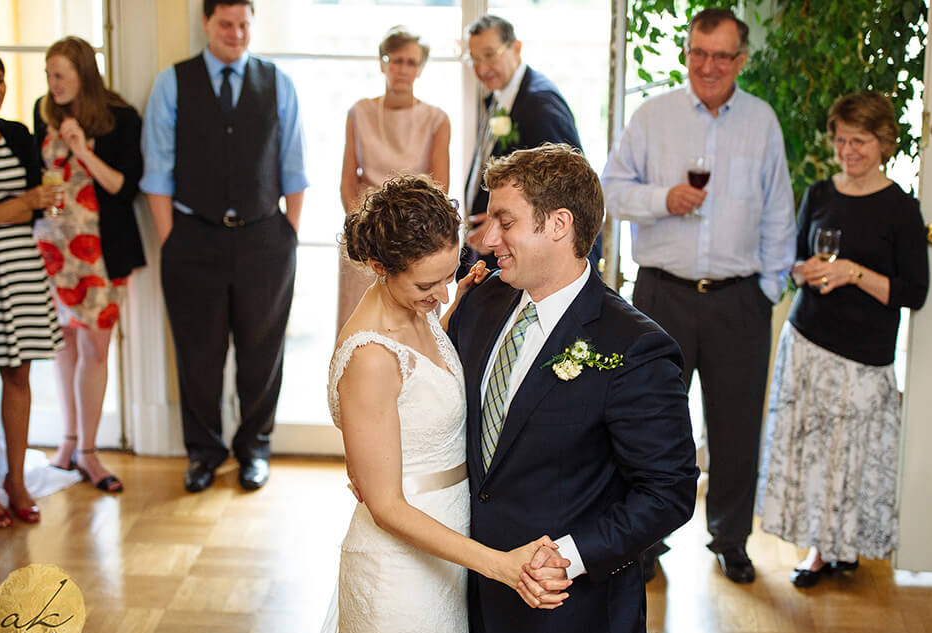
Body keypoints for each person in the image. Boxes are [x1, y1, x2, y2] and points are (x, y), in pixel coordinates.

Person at [447, 144, 699, 633]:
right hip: (456, 593)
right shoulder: (479, 300)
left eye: (504, 220)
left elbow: (669, 491)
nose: (488, 239)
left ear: (558, 225)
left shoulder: (633, 346)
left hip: (558, 617)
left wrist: (568, 557)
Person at [320, 175, 566, 633]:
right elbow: (387, 507)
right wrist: (500, 566)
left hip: (446, 551)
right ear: (378, 267)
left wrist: (451, 312)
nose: (442, 293)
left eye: (451, 274)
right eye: (426, 284)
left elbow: (424, 383)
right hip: (399, 569)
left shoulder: (422, 312)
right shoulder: (370, 356)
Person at [601, 8, 795, 584]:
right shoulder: (652, 116)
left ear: (741, 61)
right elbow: (610, 190)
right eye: (697, 53)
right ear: (687, 54)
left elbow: (780, 213)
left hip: (740, 301)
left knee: (736, 426)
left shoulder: (762, 122)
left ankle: (731, 539)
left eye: (721, 55)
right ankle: (644, 540)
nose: (707, 66)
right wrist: (665, 199)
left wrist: (767, 288)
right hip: (662, 297)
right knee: (648, 425)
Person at [756, 92, 929, 588]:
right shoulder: (818, 193)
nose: (848, 150)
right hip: (808, 341)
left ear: (884, 142)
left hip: (864, 354)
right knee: (812, 452)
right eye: (841, 140)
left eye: (860, 140)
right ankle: (817, 550)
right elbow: (793, 262)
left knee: (850, 455)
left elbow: (914, 293)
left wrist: (853, 273)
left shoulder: (901, 209)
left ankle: (843, 546)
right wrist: (802, 271)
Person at [141, 0, 308, 493]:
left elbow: (294, 167)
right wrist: (172, 239)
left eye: (243, 25)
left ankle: (254, 447)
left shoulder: (277, 82)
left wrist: (287, 234)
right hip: (192, 239)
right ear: (206, 24)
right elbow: (157, 171)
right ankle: (204, 453)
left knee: (262, 352)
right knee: (198, 354)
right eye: (225, 24)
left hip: (264, 240)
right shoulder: (172, 83)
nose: (236, 34)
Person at [32, 36, 145, 493]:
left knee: (96, 350)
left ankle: (91, 453)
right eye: (48, 74)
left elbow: (125, 186)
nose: (52, 84)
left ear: (83, 73)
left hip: (101, 252)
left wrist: (83, 151)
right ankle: (69, 442)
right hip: (51, 253)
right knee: (64, 347)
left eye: (60, 74)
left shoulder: (120, 117)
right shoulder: (43, 113)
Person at [0, 46, 62, 526]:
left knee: (19, 375)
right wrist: (22, 202)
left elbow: (38, 205)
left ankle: (15, 479)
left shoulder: (16, 134)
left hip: (20, 269)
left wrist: (27, 204)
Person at [460, 14, 600, 274]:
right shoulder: (499, 95)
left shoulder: (540, 105)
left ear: (516, 48)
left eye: (489, 55)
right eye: (474, 59)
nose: (481, 69)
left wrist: (498, 224)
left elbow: (565, 188)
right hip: (495, 253)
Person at [336, 26, 451, 336]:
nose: (403, 69)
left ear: (421, 67)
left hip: (415, 240)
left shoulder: (436, 119)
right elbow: (348, 181)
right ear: (382, 62)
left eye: (411, 62)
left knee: (411, 328)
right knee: (360, 328)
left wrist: (411, 241)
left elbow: (440, 187)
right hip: (366, 236)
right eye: (396, 60)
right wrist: (366, 234)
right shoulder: (359, 112)